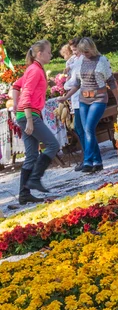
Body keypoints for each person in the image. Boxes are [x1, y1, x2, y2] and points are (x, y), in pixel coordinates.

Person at [11, 40, 60, 203]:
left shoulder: (33, 70)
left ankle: (24, 194)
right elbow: (26, 95)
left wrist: (15, 105)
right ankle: (35, 179)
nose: (51, 55)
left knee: (31, 155)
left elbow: (16, 86)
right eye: (48, 52)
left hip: (25, 114)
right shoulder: (35, 71)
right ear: (39, 54)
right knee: (53, 144)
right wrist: (30, 119)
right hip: (28, 115)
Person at [59, 38, 118, 173]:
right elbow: (77, 83)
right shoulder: (80, 61)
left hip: (98, 98)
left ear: (92, 48)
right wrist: (66, 96)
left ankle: (87, 160)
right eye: (82, 52)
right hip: (83, 99)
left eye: (86, 51)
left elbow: (111, 81)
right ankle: (97, 162)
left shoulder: (102, 60)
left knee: (88, 128)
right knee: (87, 130)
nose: (84, 54)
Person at [63, 38, 84, 170]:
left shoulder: (83, 60)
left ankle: (89, 156)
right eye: (72, 51)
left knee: (81, 127)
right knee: (79, 128)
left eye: (75, 50)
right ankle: (88, 156)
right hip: (76, 99)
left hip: (83, 97)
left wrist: (65, 84)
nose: (74, 53)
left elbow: (75, 82)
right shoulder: (75, 60)